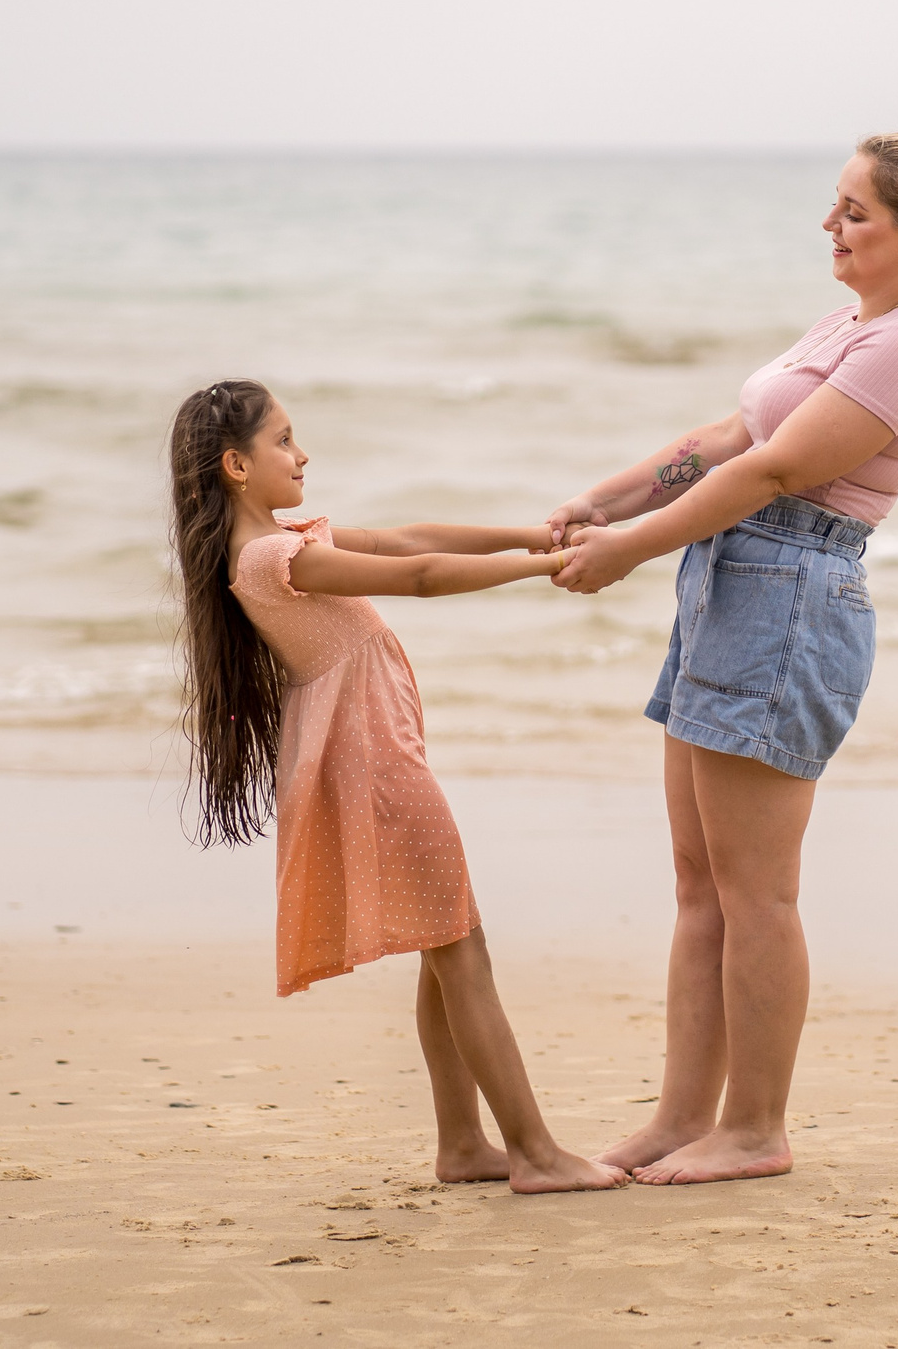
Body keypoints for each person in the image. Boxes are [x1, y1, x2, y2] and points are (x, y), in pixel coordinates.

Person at [545, 133, 898, 1186]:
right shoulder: (847, 325)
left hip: (789, 601)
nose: (830, 224)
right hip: (727, 586)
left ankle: (755, 1128)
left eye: (854, 212)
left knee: (757, 893)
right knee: (699, 886)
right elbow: (731, 433)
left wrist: (630, 549)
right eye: (835, 204)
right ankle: (682, 1118)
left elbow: (773, 471)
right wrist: (604, 502)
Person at [167, 379, 625, 1194]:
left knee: (443, 942)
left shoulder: (286, 539)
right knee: (461, 945)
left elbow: (411, 537)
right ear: (236, 465)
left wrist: (535, 531)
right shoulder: (271, 557)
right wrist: (551, 565)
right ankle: (534, 1151)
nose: (302, 454)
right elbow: (418, 574)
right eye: (283, 440)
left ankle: (464, 1144)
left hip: (372, 750)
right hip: (373, 761)